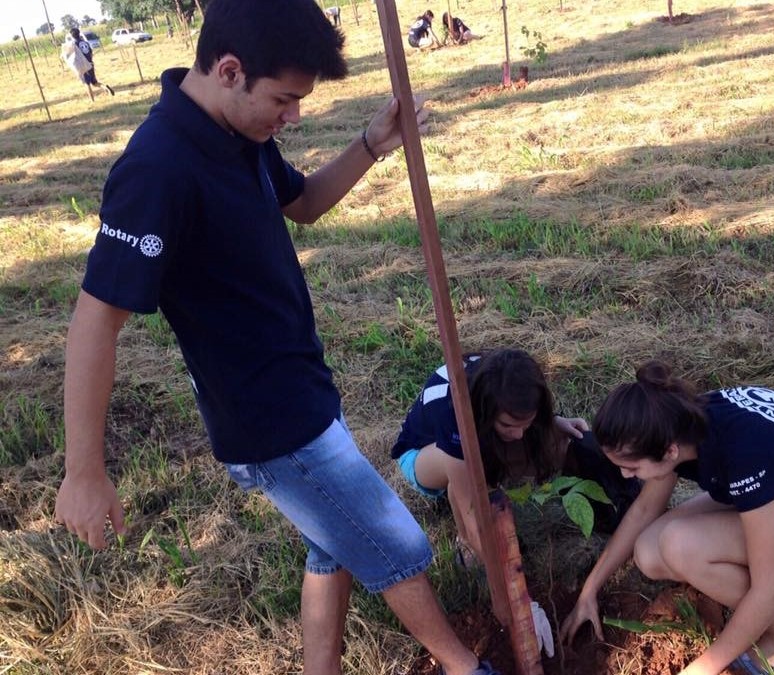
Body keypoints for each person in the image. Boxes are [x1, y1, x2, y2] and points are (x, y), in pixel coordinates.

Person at [53, 1, 499, 674]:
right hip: (268, 422)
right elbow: (96, 319)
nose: (293, 116)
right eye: (285, 99)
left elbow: (305, 204)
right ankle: (467, 666)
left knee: (335, 547)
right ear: (229, 71)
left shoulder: (244, 135)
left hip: (306, 390)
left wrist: (373, 144)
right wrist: (83, 471)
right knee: (394, 544)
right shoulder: (159, 167)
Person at [559, 361, 774, 675]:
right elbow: (643, 510)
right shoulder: (678, 421)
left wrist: (701, 669)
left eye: (632, 468)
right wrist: (590, 589)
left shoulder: (743, 453)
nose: (624, 474)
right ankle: (733, 583)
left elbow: (772, 587)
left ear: (669, 452)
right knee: (649, 550)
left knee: (680, 545)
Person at [391, 348, 642, 563]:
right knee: (467, 473)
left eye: (526, 423)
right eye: (509, 425)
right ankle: (466, 546)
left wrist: (553, 423)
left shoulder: (510, 379)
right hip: (424, 456)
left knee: (566, 444)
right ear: (488, 411)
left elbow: (526, 423)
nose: (520, 434)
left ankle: (614, 510)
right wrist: (501, 563)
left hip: (475, 438)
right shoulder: (456, 413)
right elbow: (471, 509)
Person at [62, 27, 115, 101]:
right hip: (90, 64)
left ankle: (92, 101)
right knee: (94, 82)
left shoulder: (74, 44)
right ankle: (105, 87)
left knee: (86, 84)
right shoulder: (85, 42)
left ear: (72, 35)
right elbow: (90, 52)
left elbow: (68, 55)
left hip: (83, 66)